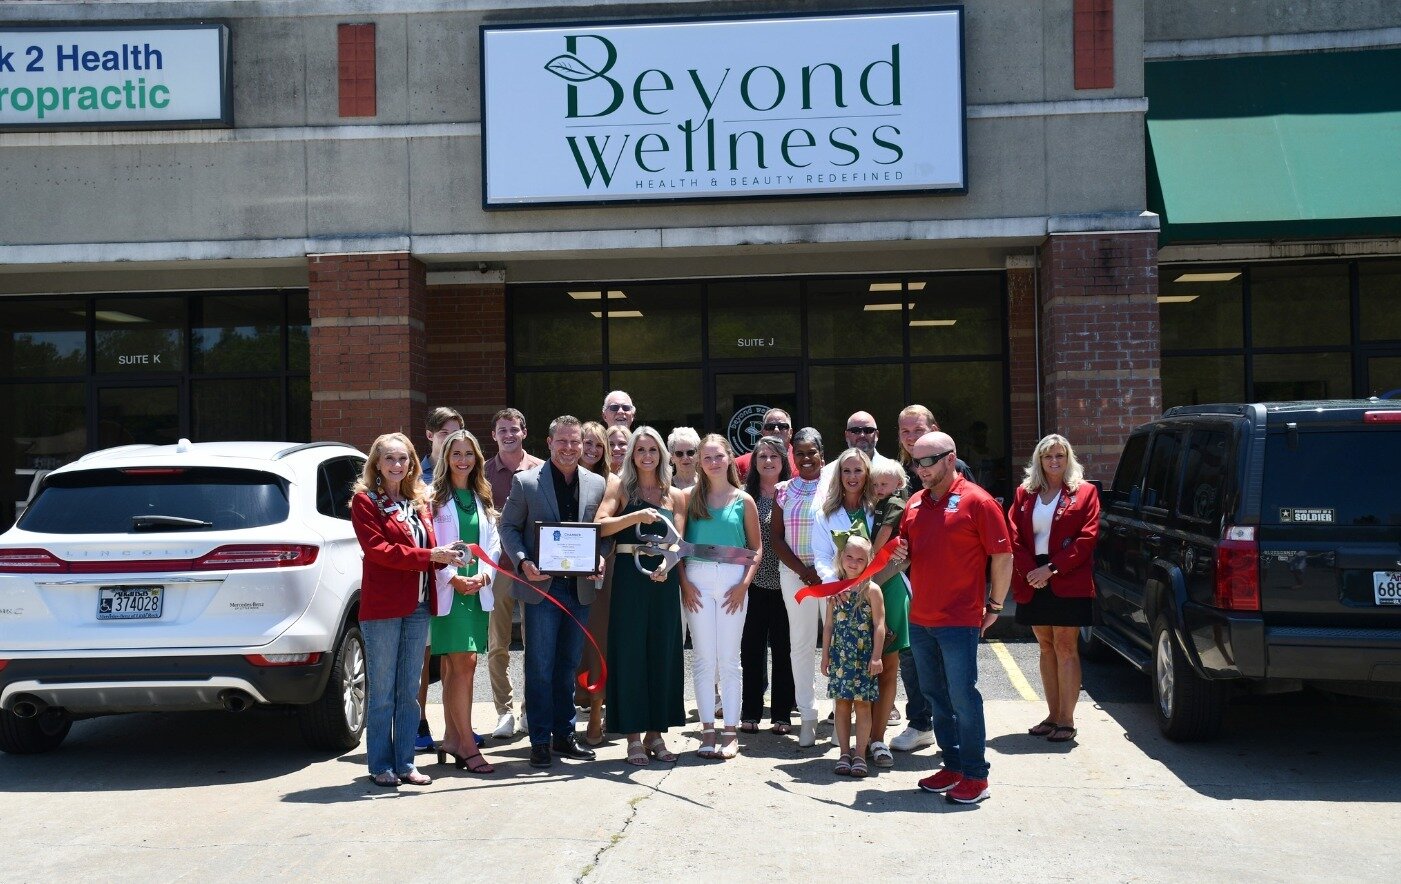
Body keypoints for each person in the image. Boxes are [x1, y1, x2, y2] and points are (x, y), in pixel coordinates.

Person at [900, 431, 1012, 805]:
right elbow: (906, 555)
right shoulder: (915, 503)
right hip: (920, 618)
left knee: (963, 696)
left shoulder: (977, 501)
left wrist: (995, 606)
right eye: (916, 462)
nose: (920, 470)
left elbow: (1003, 556)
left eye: (927, 461)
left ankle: (976, 774)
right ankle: (952, 765)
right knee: (935, 696)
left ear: (951, 459)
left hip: (958, 619)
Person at [350, 433, 464, 787]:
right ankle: (380, 764)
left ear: (413, 463)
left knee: (409, 688)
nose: (398, 465)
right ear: (377, 465)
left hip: (417, 605)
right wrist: (430, 556)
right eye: (390, 459)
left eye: (404, 459)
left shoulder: (420, 500)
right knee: (383, 690)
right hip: (384, 607)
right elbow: (379, 550)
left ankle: (405, 763)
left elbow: (429, 547)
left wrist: (448, 557)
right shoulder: (365, 501)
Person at [498, 415, 608, 769]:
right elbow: (509, 527)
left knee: (567, 666)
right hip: (541, 588)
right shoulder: (527, 482)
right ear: (548, 443)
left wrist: (601, 559)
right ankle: (540, 740)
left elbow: (602, 535)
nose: (569, 448)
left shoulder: (596, 483)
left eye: (575, 441)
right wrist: (523, 561)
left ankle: (565, 734)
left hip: (579, 590)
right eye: (562, 441)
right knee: (540, 666)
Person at [595, 426, 688, 765]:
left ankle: (656, 734)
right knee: (630, 653)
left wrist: (669, 563)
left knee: (663, 653)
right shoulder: (619, 487)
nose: (647, 456)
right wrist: (635, 514)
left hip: (663, 582)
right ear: (632, 455)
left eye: (653, 450)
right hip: (630, 580)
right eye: (640, 450)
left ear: (662, 454)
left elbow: (679, 541)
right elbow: (601, 525)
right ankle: (633, 736)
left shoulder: (674, 494)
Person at [888, 403, 973, 754]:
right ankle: (921, 723)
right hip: (907, 579)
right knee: (913, 657)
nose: (911, 438)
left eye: (918, 430)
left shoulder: (955, 468)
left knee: (949, 666)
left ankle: (951, 733)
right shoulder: (898, 471)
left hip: (949, 588)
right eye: (905, 432)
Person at [1007, 434, 1099, 744]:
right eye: (1048, 456)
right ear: (1039, 461)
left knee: (1065, 645)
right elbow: (1014, 535)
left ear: (1069, 458)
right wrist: (1031, 571)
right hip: (1032, 576)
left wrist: (1052, 568)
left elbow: (1086, 539)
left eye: (1060, 455)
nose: (1054, 461)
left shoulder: (1085, 493)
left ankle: (1067, 720)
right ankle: (1052, 714)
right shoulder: (1025, 493)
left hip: (1067, 576)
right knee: (1045, 645)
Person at [679, 434, 761, 760]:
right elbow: (678, 548)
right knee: (702, 658)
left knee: (728, 659)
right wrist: (684, 583)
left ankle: (730, 731)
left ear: (729, 458)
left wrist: (744, 585)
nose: (713, 462)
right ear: (699, 462)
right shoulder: (687, 498)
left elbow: (755, 549)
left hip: (732, 582)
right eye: (707, 457)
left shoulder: (744, 500)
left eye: (718, 456)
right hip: (696, 579)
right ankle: (707, 730)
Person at [428, 429, 499, 774]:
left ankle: (453, 738)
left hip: (476, 589)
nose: (462, 460)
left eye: (469, 454)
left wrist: (484, 576)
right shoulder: (433, 498)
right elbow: (431, 544)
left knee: (455, 667)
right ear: (446, 458)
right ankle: (467, 745)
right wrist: (452, 579)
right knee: (464, 663)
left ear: (477, 459)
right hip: (449, 591)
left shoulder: (481, 495)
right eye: (456, 453)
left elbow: (493, 543)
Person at [484, 408, 543, 740]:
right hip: (498, 570)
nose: (509, 434)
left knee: (537, 644)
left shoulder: (539, 470)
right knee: (498, 644)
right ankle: (504, 712)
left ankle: (529, 710)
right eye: (502, 430)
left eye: (514, 429)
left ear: (524, 432)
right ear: (494, 435)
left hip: (533, 569)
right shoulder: (483, 472)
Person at [770, 427, 827, 747]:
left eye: (812, 452)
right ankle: (807, 717)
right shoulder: (783, 490)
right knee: (801, 646)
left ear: (822, 454)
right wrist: (803, 570)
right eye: (800, 453)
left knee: (836, 646)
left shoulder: (834, 487)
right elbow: (776, 538)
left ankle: (840, 717)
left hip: (831, 576)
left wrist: (821, 570)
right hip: (795, 577)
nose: (806, 458)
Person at [739, 435, 794, 734]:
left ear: (783, 461)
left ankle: (782, 714)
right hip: (754, 584)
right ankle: (750, 711)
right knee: (751, 649)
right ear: (755, 463)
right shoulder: (745, 496)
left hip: (788, 583)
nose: (769, 462)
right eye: (762, 457)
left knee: (784, 650)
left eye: (774, 456)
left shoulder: (792, 493)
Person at [416, 405, 464, 751]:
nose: (451, 442)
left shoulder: (464, 473)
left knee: (452, 653)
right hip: (423, 578)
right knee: (422, 654)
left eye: (457, 433)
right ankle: (418, 722)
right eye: (445, 434)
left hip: (457, 579)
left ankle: (455, 727)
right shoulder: (413, 476)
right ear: (431, 435)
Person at [821, 535, 886, 778]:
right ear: (841, 558)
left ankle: (860, 753)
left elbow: (880, 625)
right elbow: (828, 626)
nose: (853, 562)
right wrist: (825, 655)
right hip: (840, 657)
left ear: (869, 561)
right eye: (849, 556)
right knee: (841, 704)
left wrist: (877, 656)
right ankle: (844, 753)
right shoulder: (835, 589)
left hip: (862, 657)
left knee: (862, 705)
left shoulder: (872, 590)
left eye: (860, 559)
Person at [865, 456, 913, 768]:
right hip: (859, 590)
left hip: (891, 584)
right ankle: (857, 739)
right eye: (877, 484)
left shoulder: (901, 507)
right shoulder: (862, 507)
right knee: (861, 664)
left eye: (886, 483)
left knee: (888, 662)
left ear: (899, 484)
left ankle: (878, 739)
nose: (880, 489)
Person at [576, 419, 620, 744]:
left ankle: (595, 713)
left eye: (597, 445)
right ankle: (566, 715)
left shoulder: (612, 482)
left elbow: (603, 524)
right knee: (569, 643)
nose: (590, 450)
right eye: (585, 443)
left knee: (598, 642)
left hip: (601, 569)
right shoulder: (562, 476)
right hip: (563, 571)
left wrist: (598, 555)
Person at [734, 408, 797, 479]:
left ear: (791, 432)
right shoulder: (741, 463)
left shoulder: (801, 460)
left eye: (782, 426)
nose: (776, 430)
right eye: (770, 427)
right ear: (763, 432)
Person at [667, 426, 700, 490]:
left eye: (690, 452)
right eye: (679, 453)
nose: (685, 457)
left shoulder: (707, 483)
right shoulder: (665, 486)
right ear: (672, 458)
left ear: (697, 455)